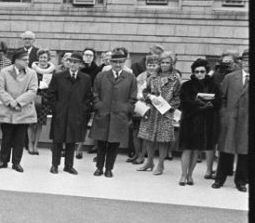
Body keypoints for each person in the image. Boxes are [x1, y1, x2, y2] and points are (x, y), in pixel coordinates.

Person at [43, 50, 93, 175]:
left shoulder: (86, 79)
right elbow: (51, 94)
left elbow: (88, 97)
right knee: (57, 140)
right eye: (71, 62)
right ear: (67, 63)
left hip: (76, 114)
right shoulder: (59, 76)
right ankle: (55, 164)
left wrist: (82, 109)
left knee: (72, 140)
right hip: (61, 113)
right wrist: (57, 108)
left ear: (81, 64)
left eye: (76, 62)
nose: (73, 65)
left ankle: (69, 165)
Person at [89, 48, 136, 177]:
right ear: (110, 62)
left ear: (124, 62)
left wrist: (127, 109)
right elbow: (95, 93)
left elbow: (133, 97)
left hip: (119, 115)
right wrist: (98, 105)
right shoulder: (101, 76)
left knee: (114, 143)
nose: (117, 65)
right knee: (101, 142)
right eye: (115, 62)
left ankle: (109, 168)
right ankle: (99, 167)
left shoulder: (130, 78)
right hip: (103, 113)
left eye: (120, 62)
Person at [0, 47, 37, 172]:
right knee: (6, 137)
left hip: (23, 111)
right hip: (7, 109)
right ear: (16, 60)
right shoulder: (4, 72)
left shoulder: (32, 73)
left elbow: (33, 91)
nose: (27, 61)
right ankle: (3, 161)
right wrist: (11, 102)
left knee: (20, 138)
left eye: (28, 59)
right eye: (24, 59)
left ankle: (16, 163)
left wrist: (18, 102)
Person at [136, 50, 182, 175]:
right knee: (148, 138)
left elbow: (178, 97)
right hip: (151, 112)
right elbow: (145, 91)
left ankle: (161, 165)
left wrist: (169, 107)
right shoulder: (152, 77)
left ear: (172, 64)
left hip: (165, 113)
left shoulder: (176, 79)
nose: (164, 65)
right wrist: (149, 97)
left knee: (163, 140)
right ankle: (149, 161)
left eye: (167, 62)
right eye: (162, 62)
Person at [177, 59, 220, 186]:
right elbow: (184, 102)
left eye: (202, 71)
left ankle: (190, 175)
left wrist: (209, 104)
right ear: (193, 72)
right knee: (187, 149)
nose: (199, 74)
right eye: (197, 71)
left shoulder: (213, 86)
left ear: (206, 72)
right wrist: (198, 104)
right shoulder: (186, 85)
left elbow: (218, 101)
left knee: (196, 150)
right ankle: (183, 175)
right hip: (189, 121)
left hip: (205, 122)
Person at [212, 49, 249, 191]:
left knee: (244, 152)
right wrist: (224, 114)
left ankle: (240, 181)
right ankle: (219, 179)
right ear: (241, 62)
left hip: (247, 122)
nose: (248, 64)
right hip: (231, 119)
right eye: (245, 61)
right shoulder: (230, 77)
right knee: (226, 150)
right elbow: (222, 98)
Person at [27, 49, 56, 155]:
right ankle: (30, 144)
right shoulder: (31, 69)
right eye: (41, 57)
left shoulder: (52, 70)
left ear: (48, 58)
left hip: (45, 99)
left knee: (39, 124)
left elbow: (54, 85)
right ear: (38, 58)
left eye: (45, 57)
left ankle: (36, 145)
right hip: (33, 97)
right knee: (31, 123)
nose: (43, 59)